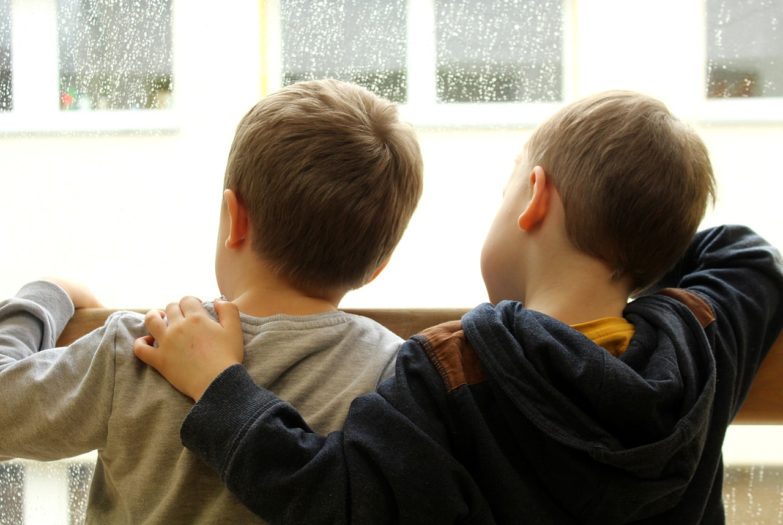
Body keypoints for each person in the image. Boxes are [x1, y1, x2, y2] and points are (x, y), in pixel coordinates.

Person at [134, 91, 783, 524]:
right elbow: (747, 255)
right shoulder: (700, 344)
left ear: (534, 198)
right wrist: (638, 245)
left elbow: (329, 496)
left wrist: (220, 386)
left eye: (505, 188)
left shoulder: (453, 371)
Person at [0, 79, 423, 524]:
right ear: (379, 264)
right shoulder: (390, 372)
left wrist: (48, 295)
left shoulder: (141, 346)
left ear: (234, 218)